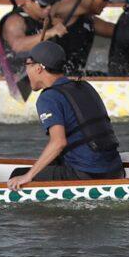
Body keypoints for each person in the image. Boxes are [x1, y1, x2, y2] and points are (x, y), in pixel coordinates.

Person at [7, 42, 121, 189]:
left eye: (27, 65)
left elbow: (58, 143)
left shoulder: (49, 97)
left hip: (87, 175)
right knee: (52, 161)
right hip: (115, 170)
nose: (26, 70)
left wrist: (27, 177)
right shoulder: (84, 86)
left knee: (17, 174)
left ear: (38, 68)